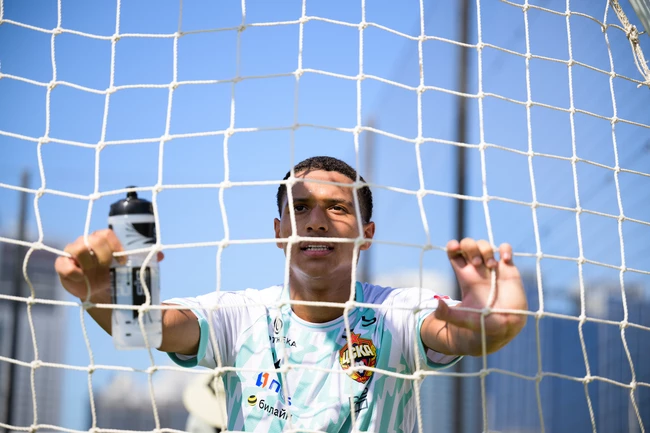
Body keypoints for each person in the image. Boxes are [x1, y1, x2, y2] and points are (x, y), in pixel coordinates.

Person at [55, 156, 528, 432]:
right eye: (301, 207)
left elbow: (462, 332)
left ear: (367, 234)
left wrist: (491, 324)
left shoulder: (394, 312)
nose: (316, 221)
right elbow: (144, 327)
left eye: (336, 208)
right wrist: (100, 291)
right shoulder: (240, 315)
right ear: (280, 232)